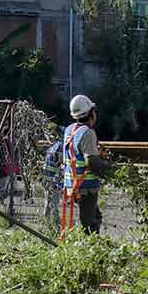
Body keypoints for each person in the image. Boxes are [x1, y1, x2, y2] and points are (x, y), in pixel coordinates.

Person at [62, 95, 109, 234]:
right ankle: (88, 250)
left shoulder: (69, 130)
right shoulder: (88, 133)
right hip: (86, 187)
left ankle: (84, 245)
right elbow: (91, 161)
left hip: (72, 184)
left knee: (94, 216)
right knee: (90, 224)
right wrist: (106, 167)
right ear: (90, 114)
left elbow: (76, 155)